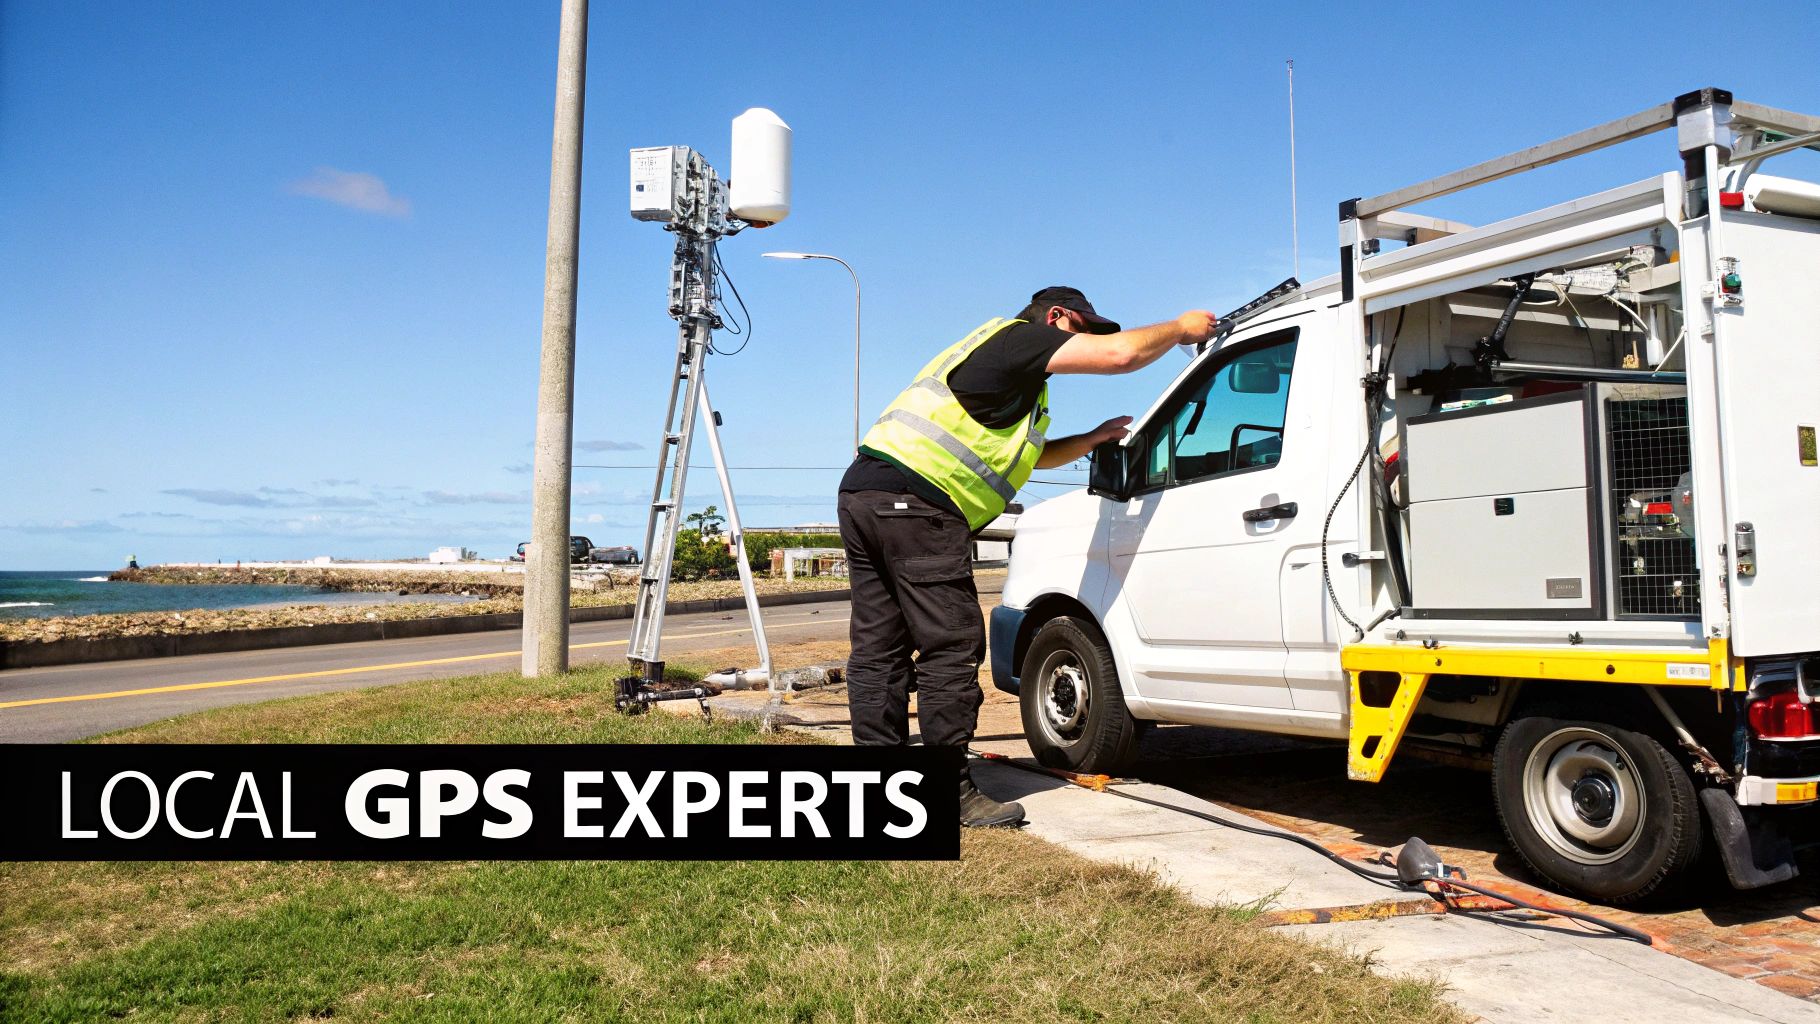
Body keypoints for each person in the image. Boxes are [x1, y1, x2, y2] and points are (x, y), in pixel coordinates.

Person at [838, 286, 1220, 827]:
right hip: (917, 503)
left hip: (867, 494)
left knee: (881, 647)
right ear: (1056, 317)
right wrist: (1182, 327)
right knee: (951, 644)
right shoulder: (1020, 339)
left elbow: (1031, 457)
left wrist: (1091, 439)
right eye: (1082, 329)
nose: (1086, 342)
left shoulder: (1006, 372)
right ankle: (946, 792)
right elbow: (1121, 355)